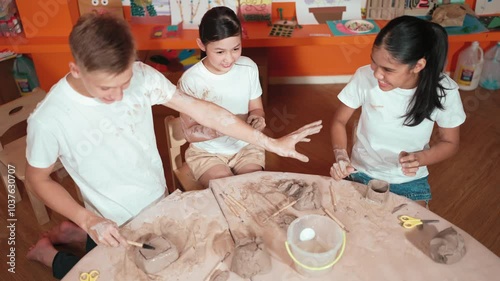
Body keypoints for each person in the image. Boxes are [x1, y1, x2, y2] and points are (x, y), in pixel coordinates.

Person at [25, 13, 322, 279]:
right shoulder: (49, 119)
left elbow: (206, 112)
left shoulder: (142, 75)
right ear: (75, 70)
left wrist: (271, 142)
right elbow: (38, 179)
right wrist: (87, 219)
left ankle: (76, 235)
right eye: (105, 88)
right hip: (106, 215)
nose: (117, 96)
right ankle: (48, 253)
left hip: (159, 200)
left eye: (124, 83)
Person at [329, 16, 466, 206]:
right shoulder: (364, 77)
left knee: (411, 233)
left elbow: (450, 142)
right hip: (359, 172)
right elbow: (339, 121)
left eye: (388, 69)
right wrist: (341, 156)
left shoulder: (444, 91)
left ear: (418, 65)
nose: (377, 74)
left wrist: (419, 158)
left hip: (409, 182)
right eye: (374, 62)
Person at [177, 6, 265, 188]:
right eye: (220, 52)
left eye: (235, 49)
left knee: (255, 189)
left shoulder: (248, 68)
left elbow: (257, 109)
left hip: (245, 147)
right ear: (202, 45)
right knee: (228, 191)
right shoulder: (191, 80)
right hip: (207, 153)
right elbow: (190, 133)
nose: (229, 59)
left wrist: (258, 119)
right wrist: (229, 126)